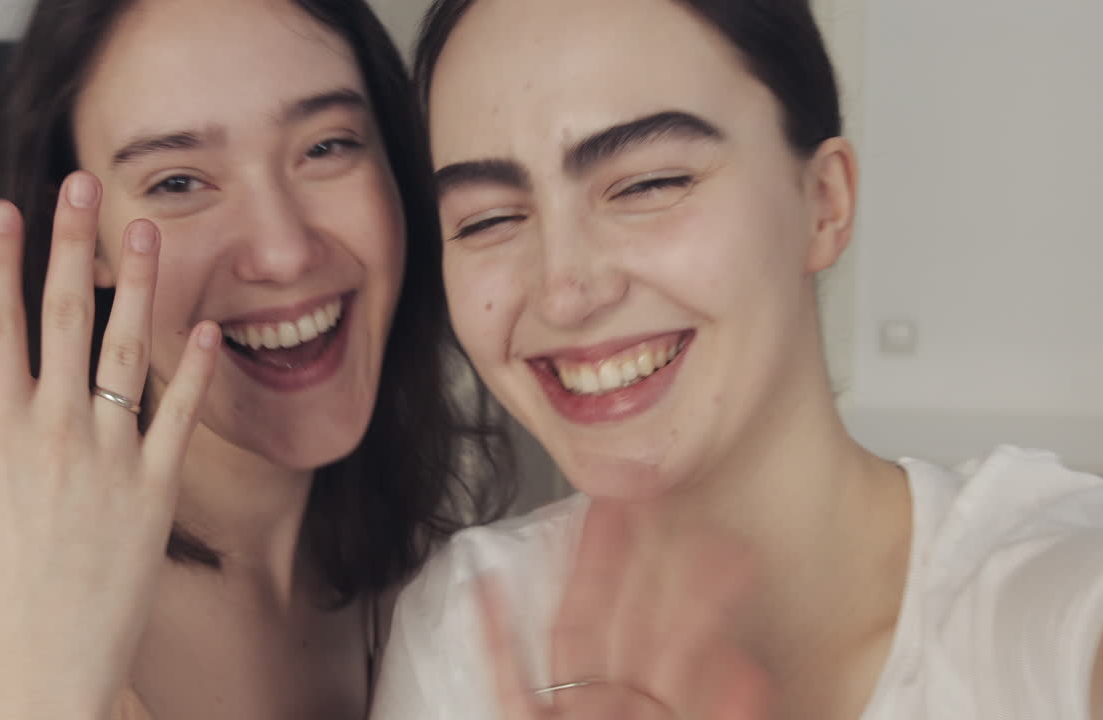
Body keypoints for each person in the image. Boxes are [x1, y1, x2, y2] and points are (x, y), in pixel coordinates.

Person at [371, 0, 1103, 718]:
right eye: (489, 219)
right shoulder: (464, 626)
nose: (563, 292)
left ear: (824, 202)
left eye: (651, 184)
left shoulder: (1054, 602)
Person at [0, 0, 509, 718]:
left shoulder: (438, 576)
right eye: (177, 182)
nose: (284, 252)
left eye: (327, 147)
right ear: (83, 239)